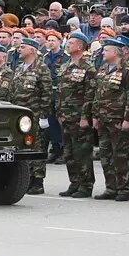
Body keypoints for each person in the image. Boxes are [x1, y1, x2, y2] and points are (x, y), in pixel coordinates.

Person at [92, 37, 129, 201]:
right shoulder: (103, 68)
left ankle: (123, 188)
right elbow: (98, 94)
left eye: (106, 50)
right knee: (105, 155)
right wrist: (95, 115)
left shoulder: (128, 70)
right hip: (104, 119)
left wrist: (128, 118)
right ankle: (110, 187)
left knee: (120, 155)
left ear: (116, 52)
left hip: (118, 119)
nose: (103, 53)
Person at [10, 37, 53, 194]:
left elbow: (46, 94)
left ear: (32, 50)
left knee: (37, 146)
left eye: (23, 47)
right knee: (23, 147)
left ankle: (38, 180)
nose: (19, 49)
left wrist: (43, 116)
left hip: (34, 114)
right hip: (20, 117)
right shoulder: (20, 67)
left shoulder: (42, 68)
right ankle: (26, 178)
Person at [56, 31, 96, 198]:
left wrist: (85, 117)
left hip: (79, 117)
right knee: (69, 153)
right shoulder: (66, 66)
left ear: (80, 46)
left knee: (82, 153)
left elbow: (90, 94)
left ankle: (86, 185)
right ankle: (74, 182)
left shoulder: (88, 67)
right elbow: (60, 92)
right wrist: (59, 112)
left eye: (71, 42)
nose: (68, 45)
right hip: (66, 116)